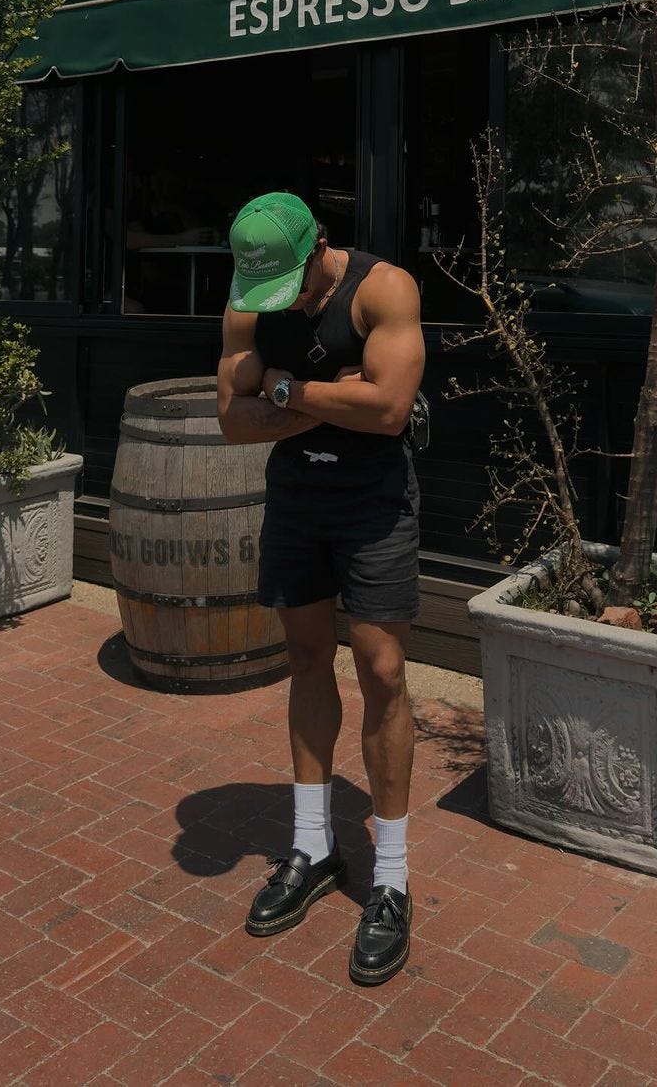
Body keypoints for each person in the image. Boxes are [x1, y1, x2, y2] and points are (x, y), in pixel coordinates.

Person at [216, 190, 425, 986]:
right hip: (298, 498)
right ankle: (313, 845)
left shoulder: (385, 290)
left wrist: (284, 388)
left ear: (321, 248)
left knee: (381, 669)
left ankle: (393, 878)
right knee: (307, 657)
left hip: (374, 502)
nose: (281, 305)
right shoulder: (248, 292)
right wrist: (333, 397)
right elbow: (231, 420)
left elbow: (392, 408)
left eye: (294, 287)